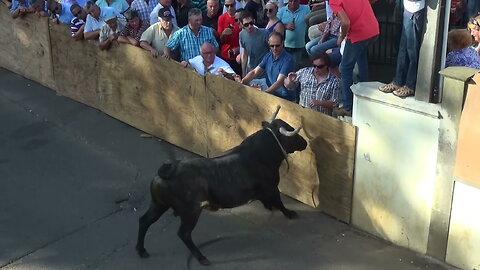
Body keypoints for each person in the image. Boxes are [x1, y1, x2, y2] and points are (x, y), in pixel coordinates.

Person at [329, 0, 379, 116]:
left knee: (345, 68)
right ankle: (364, 96)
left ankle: (348, 107)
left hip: (358, 34)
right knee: (361, 58)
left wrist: (341, 37)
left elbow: (345, 22)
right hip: (373, 30)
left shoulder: (334, 1)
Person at [378, 0, 425, 98]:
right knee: (403, 49)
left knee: (412, 51)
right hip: (408, 8)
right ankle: (398, 81)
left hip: (416, 9)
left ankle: (410, 85)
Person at [241, 32, 295, 101]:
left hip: (285, 98)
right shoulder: (268, 56)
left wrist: (265, 93)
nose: (275, 48)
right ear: (269, 44)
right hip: (273, 93)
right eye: (272, 46)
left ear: (282, 43)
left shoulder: (288, 59)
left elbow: (279, 81)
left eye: (277, 45)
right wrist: (243, 82)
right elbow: (255, 72)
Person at [277, 0, 310, 69]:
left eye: (295, 1)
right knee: (283, 67)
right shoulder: (281, 11)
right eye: (291, 1)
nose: (293, 3)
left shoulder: (306, 9)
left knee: (294, 68)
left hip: (299, 46)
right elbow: (274, 25)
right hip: (284, 46)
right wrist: (285, 26)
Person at [239, 10, 270, 77]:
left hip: (265, 71)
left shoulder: (264, 33)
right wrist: (243, 72)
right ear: (242, 25)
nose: (249, 26)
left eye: (251, 23)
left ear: (254, 21)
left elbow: (272, 50)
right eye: (246, 24)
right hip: (251, 71)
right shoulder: (242, 35)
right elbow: (244, 54)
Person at [218, 0, 242, 74]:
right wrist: (224, 34)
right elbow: (220, 41)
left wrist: (238, 49)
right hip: (226, 54)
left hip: (238, 55)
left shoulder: (240, 17)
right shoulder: (222, 18)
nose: (229, 8)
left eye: (231, 5)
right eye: (227, 6)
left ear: (235, 4)